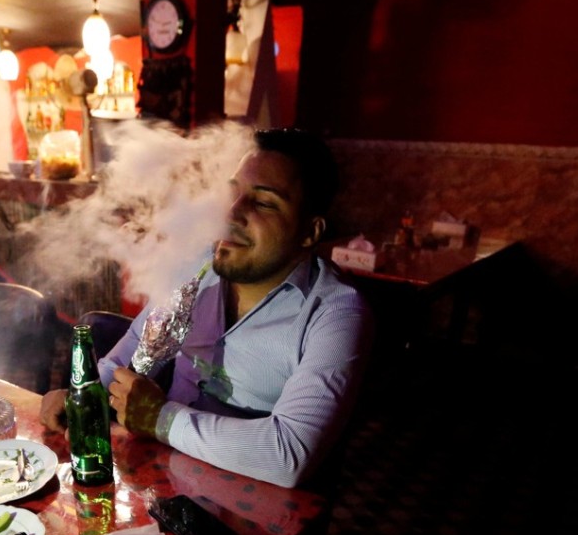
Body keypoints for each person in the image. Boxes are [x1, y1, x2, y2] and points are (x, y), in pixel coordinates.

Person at [41, 128, 374, 489]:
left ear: (310, 232)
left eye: (263, 203)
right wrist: (81, 397)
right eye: (232, 194)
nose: (231, 213)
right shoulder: (196, 265)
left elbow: (288, 454)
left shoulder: (335, 313)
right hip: (157, 478)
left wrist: (160, 420)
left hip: (247, 507)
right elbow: (133, 351)